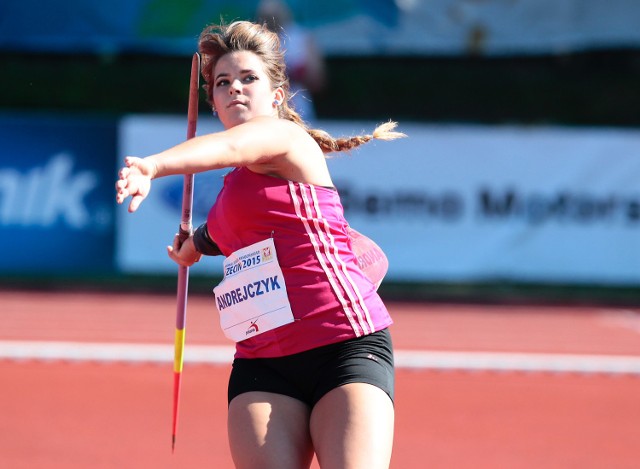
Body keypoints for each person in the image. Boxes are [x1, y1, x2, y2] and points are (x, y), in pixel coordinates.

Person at [115, 20, 405, 469]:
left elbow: (233, 147)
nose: (235, 89)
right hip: (263, 362)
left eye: (249, 78)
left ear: (276, 94)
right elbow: (221, 233)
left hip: (343, 345)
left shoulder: (286, 139)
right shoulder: (233, 192)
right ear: (211, 101)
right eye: (223, 83)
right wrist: (192, 246)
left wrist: (152, 166)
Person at [256, 0, 326, 120]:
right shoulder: (252, 39)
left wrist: (293, 73)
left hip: (299, 111)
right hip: (262, 112)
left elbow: (318, 81)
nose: (271, 19)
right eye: (266, 16)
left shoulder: (302, 38)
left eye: (275, 15)